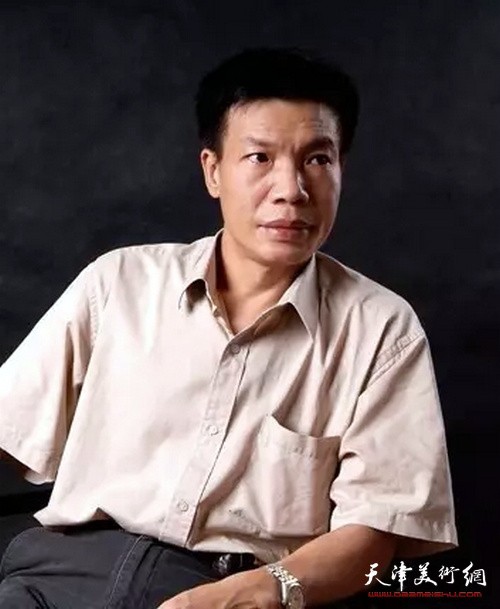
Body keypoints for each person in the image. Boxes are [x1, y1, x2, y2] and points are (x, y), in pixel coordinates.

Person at [0, 48, 457, 608]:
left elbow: (377, 535)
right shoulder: (119, 283)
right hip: (55, 581)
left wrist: (255, 593)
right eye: (260, 157)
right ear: (213, 171)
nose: (291, 189)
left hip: (232, 591)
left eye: (317, 159)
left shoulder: (382, 330)